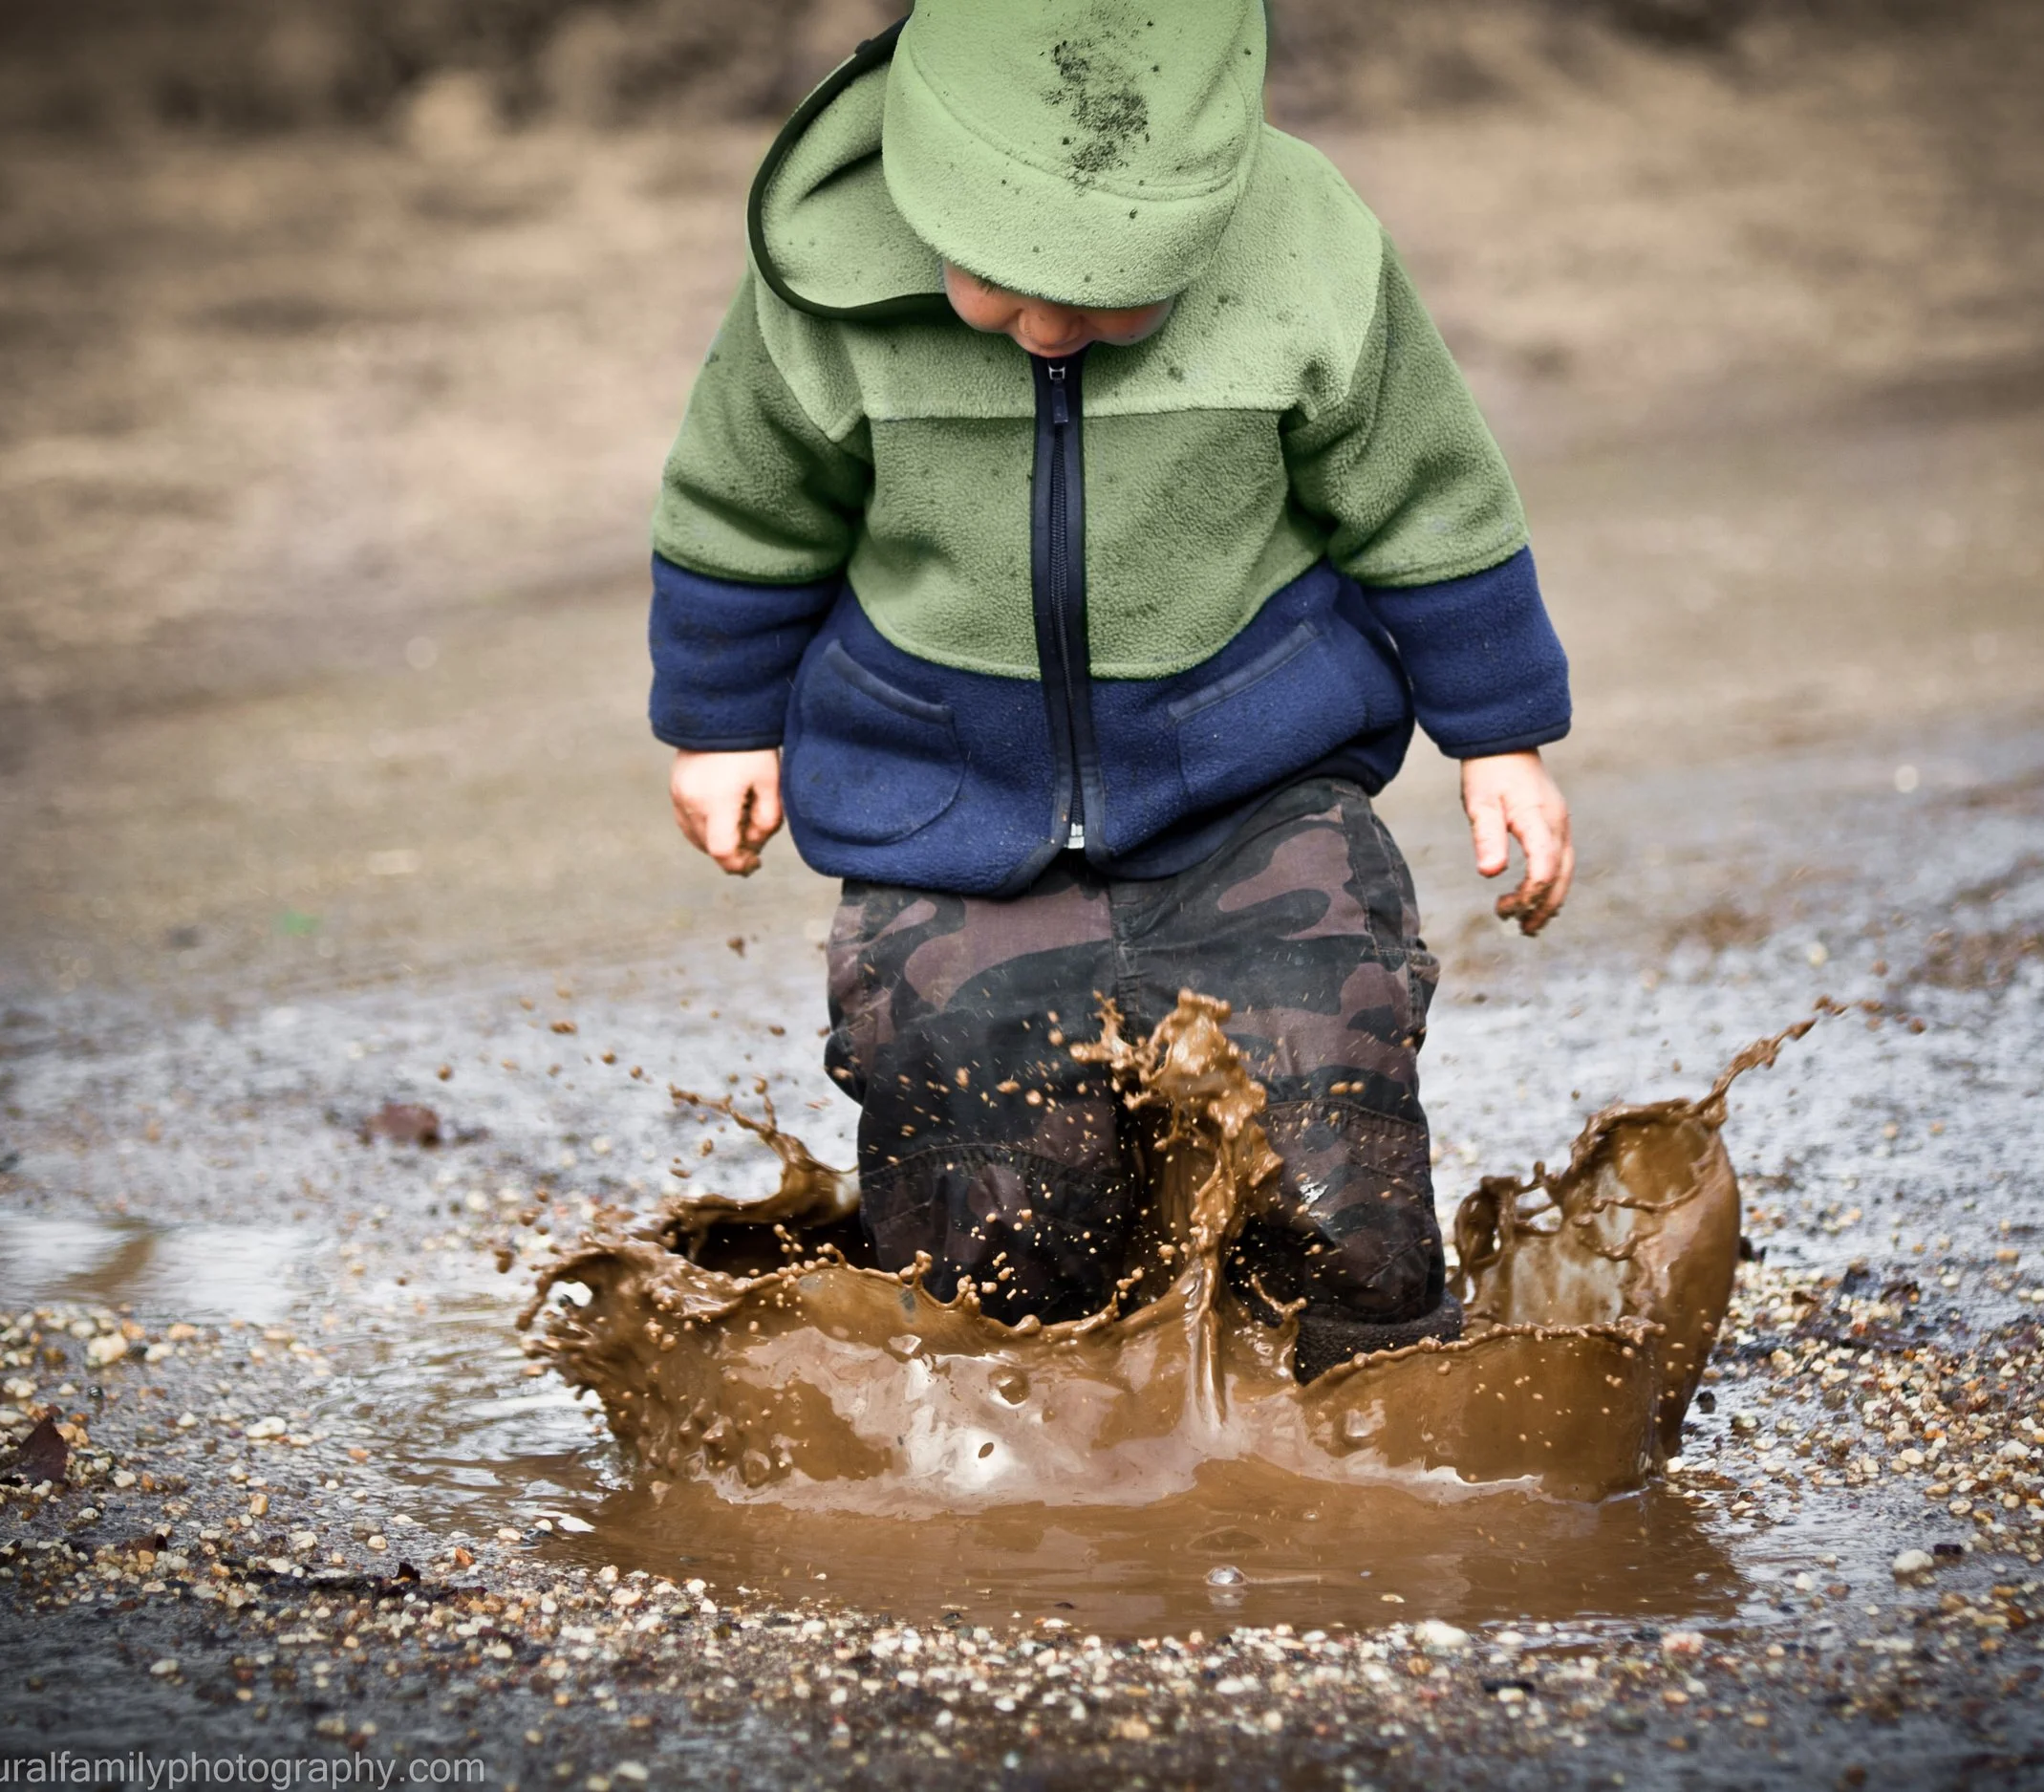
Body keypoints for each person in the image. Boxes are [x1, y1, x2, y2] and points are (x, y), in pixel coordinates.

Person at [647, 0, 1574, 1379]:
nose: (1046, 330)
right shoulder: (825, 277)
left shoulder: (1305, 244)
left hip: (1255, 781)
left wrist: (1502, 738)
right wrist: (720, 725)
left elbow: (1427, 496)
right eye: (1000, 283)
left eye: (1106, 295)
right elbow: (745, 510)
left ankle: (1372, 1395)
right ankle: (1004, 1427)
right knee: (984, 1163)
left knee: (1332, 1102)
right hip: (944, 802)